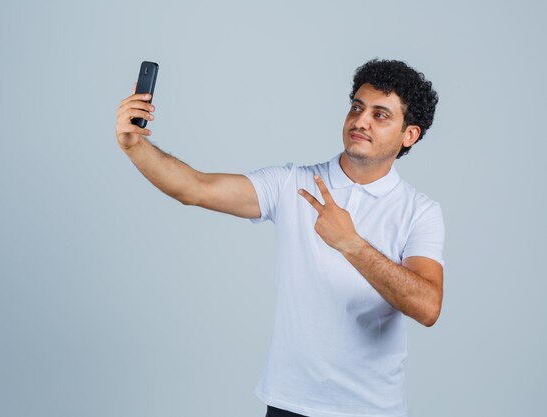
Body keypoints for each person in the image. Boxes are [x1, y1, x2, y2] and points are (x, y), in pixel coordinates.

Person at [115, 58, 444, 417]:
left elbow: (427, 307)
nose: (361, 121)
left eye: (380, 115)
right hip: (289, 404)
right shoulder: (291, 184)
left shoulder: (420, 211)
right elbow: (195, 188)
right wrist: (135, 146)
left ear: (409, 134)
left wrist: (351, 244)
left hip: (372, 410)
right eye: (357, 107)